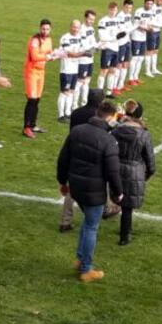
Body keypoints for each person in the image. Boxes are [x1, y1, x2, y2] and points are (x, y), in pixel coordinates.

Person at [56, 99, 124, 282]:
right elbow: (113, 170)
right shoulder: (108, 140)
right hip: (94, 190)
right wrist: (118, 192)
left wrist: (63, 181)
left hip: (76, 185)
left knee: (88, 225)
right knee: (91, 227)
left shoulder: (77, 131)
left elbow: (63, 158)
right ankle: (86, 269)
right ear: (110, 117)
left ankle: (80, 258)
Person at [58, 87, 106, 232]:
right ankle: (100, 212)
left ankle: (65, 221)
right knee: (95, 186)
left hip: (74, 151)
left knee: (71, 188)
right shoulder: (98, 117)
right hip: (92, 155)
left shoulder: (76, 112)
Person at [113, 100, 156, 246]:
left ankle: (124, 230)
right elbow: (149, 158)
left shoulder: (116, 130)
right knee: (127, 206)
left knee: (117, 199)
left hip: (116, 168)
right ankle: (125, 235)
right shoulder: (144, 134)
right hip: (135, 170)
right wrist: (148, 174)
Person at [23, 19, 54, 138]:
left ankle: (33, 124)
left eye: (47, 29)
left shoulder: (49, 40)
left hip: (41, 72)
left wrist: (56, 54)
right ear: (39, 28)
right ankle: (26, 127)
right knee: (31, 99)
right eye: (43, 29)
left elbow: (50, 53)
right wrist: (48, 57)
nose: (45, 31)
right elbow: (35, 56)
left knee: (37, 99)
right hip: (31, 71)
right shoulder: (35, 40)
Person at [56, 19, 84, 123]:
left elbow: (82, 49)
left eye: (78, 27)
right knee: (64, 92)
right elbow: (69, 53)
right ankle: (60, 115)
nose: (76, 29)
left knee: (71, 92)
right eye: (74, 27)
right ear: (70, 26)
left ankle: (67, 113)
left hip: (75, 69)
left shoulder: (79, 38)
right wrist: (83, 54)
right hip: (66, 69)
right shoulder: (65, 38)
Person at [96, 2, 123, 94]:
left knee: (113, 70)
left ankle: (109, 91)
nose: (113, 12)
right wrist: (115, 38)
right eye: (111, 10)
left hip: (116, 48)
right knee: (104, 70)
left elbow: (121, 32)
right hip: (107, 48)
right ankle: (99, 91)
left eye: (115, 10)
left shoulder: (118, 20)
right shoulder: (103, 21)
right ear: (108, 9)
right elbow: (102, 37)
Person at [141, 0, 162, 79]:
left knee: (155, 50)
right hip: (152, 31)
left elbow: (161, 19)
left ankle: (154, 69)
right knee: (149, 51)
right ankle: (147, 71)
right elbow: (151, 22)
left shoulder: (160, 8)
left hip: (158, 31)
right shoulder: (153, 8)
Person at [76, 9, 97, 108]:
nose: (91, 21)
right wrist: (91, 49)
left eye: (93, 20)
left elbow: (93, 42)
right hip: (83, 60)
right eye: (90, 19)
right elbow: (83, 45)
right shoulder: (81, 30)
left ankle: (84, 103)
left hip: (90, 59)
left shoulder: (92, 29)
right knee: (80, 82)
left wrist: (96, 47)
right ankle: (75, 105)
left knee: (87, 81)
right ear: (85, 18)